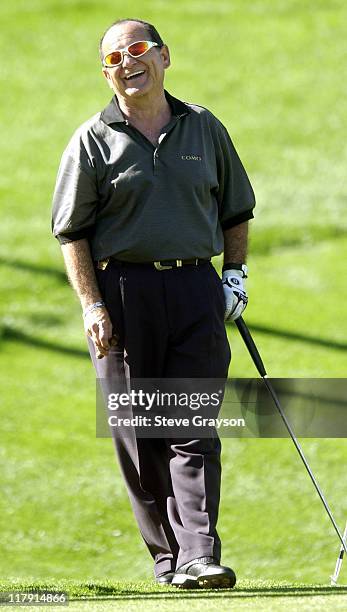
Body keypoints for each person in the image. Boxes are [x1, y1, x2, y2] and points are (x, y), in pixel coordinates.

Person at [52, 18, 255, 589]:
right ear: (106, 71)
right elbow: (72, 234)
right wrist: (93, 306)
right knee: (140, 430)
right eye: (114, 58)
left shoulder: (204, 128)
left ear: (164, 56)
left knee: (191, 424)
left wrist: (234, 278)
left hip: (196, 289)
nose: (127, 62)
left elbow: (236, 210)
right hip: (122, 293)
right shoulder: (93, 138)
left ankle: (200, 554)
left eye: (138, 50)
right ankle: (170, 560)